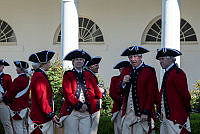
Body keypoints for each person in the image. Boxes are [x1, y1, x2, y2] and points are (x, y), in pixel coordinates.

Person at [59, 49, 103, 134]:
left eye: (81, 60)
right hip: (71, 111)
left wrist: (87, 105)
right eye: (77, 59)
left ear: (84, 62)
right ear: (73, 62)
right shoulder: (68, 74)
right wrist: (79, 105)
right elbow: (68, 94)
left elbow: (93, 92)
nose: (79, 61)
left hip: (86, 111)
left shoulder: (88, 74)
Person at [120, 45, 158, 134]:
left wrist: (146, 111)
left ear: (140, 57)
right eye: (130, 57)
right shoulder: (125, 70)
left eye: (135, 56)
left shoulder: (149, 71)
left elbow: (151, 93)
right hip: (127, 113)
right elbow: (120, 91)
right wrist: (123, 83)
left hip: (141, 114)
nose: (133, 59)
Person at [156, 48, 191, 134]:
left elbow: (185, 95)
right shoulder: (167, 73)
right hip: (166, 118)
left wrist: (187, 110)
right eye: (159, 59)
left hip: (176, 118)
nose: (160, 61)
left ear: (171, 59)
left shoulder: (177, 73)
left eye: (162, 59)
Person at [28, 50, 60, 134]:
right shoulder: (39, 76)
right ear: (43, 64)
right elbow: (42, 98)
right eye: (48, 61)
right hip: (40, 117)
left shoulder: (40, 75)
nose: (50, 63)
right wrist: (50, 114)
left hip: (42, 115)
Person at [3, 61, 30, 134]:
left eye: (17, 68)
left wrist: (5, 98)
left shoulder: (18, 80)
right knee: (24, 128)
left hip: (17, 107)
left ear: (21, 69)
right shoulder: (28, 79)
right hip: (25, 106)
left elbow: (11, 92)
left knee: (18, 129)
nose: (16, 69)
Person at [85, 56, 106, 134]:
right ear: (90, 66)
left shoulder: (91, 75)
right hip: (93, 107)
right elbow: (93, 91)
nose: (98, 67)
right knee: (92, 130)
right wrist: (102, 92)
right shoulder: (89, 75)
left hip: (93, 106)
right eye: (96, 65)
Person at [109, 60, 130, 134]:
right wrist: (122, 100)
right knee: (118, 129)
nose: (122, 71)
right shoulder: (115, 79)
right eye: (121, 69)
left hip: (130, 108)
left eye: (124, 69)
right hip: (119, 107)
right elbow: (112, 93)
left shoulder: (133, 78)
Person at [0, 59, 14, 134]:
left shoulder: (7, 77)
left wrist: (3, 98)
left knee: (7, 124)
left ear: (3, 67)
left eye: (0, 66)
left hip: (2, 103)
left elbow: (10, 90)